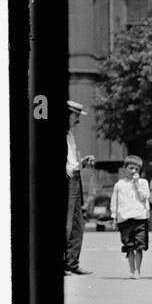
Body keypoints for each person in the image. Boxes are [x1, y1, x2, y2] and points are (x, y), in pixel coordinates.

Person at [65, 99, 95, 275]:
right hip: (67, 179)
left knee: (77, 223)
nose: (77, 120)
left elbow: (71, 163)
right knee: (67, 224)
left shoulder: (69, 135)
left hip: (75, 179)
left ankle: (72, 263)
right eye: (75, 116)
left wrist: (81, 163)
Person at [112, 154, 151, 278]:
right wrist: (114, 217)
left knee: (139, 246)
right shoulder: (119, 184)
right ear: (125, 168)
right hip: (125, 219)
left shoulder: (143, 182)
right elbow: (115, 202)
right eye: (131, 168)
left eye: (137, 169)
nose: (134, 171)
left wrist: (137, 184)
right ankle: (131, 269)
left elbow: (144, 196)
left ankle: (137, 271)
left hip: (140, 218)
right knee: (129, 246)